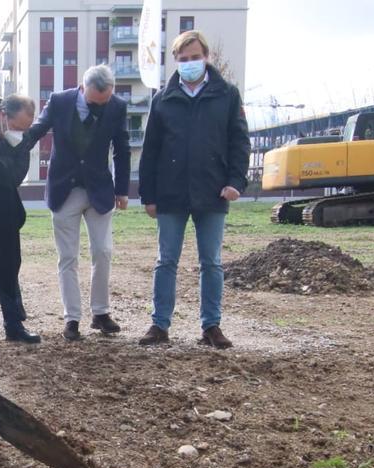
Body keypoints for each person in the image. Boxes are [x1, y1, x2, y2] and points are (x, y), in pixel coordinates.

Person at [137, 30, 249, 349]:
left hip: (213, 192)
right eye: (183, 60)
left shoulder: (227, 95)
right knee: (165, 260)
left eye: (195, 57)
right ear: (175, 62)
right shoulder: (163, 100)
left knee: (211, 261)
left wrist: (236, 181)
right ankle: (159, 325)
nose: (189, 64)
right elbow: (151, 151)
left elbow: (239, 141)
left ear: (206, 57)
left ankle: (211, 326)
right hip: (171, 194)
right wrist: (149, 195)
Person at [22, 64, 130, 342]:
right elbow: (38, 129)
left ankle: (101, 313)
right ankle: (72, 318)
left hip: (99, 190)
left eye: (104, 103)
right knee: (67, 257)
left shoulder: (117, 106)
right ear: (83, 89)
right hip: (64, 189)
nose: (100, 108)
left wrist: (122, 190)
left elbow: (122, 149)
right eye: (95, 103)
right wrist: (15, 144)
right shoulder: (59, 101)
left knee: (103, 251)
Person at [0, 93, 41, 344]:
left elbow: (16, 175)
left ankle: (14, 325)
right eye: (18, 127)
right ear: (3, 114)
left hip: (7, 211)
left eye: (25, 129)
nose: (21, 133)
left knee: (9, 268)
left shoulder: (22, 137)